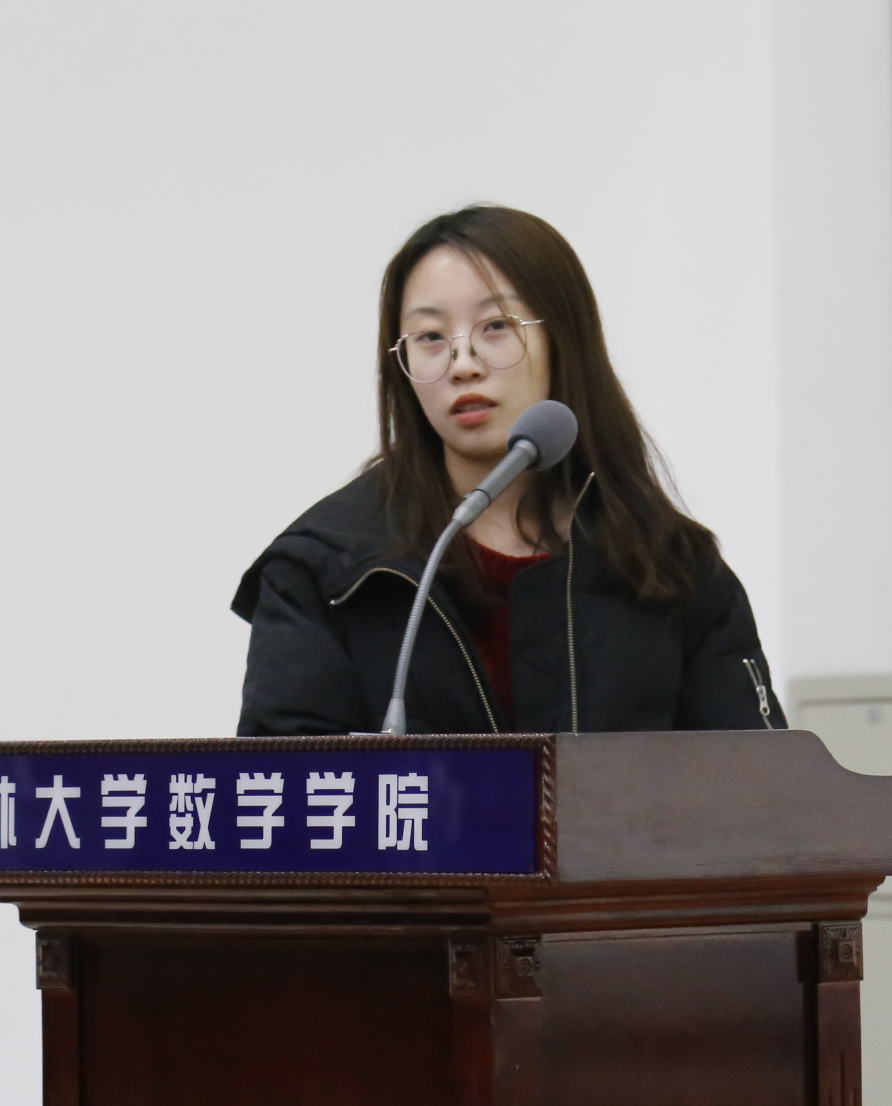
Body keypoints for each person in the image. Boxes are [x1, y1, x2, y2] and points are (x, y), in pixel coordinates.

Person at [232, 205, 783, 736]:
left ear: (563, 341)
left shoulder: (669, 563)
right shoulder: (327, 570)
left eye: (496, 326)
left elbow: (756, 783)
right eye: (430, 337)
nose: (463, 363)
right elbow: (288, 786)